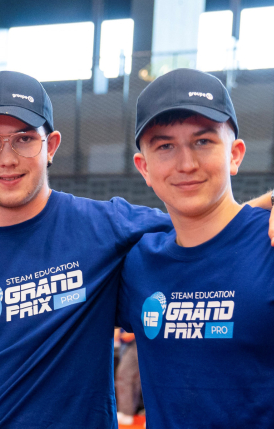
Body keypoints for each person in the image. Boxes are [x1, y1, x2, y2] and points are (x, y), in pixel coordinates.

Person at [0, 71, 273, 429]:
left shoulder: (109, 227)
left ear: (51, 145)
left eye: (24, 138)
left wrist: (265, 205)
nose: (7, 158)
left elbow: (208, 225)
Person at [117, 68, 274, 427]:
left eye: (203, 141)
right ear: (144, 167)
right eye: (165, 146)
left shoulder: (269, 242)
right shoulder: (136, 263)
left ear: (235, 155)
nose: (186, 164)